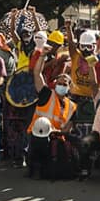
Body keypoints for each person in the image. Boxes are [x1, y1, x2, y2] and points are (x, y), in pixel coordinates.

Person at [25, 52, 78, 180]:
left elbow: (67, 128)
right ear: (55, 84)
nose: (61, 86)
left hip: (56, 137)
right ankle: (36, 165)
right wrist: (42, 56)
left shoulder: (72, 106)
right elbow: (37, 73)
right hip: (39, 135)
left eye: (65, 84)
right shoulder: (46, 94)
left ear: (69, 87)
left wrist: (58, 134)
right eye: (59, 83)